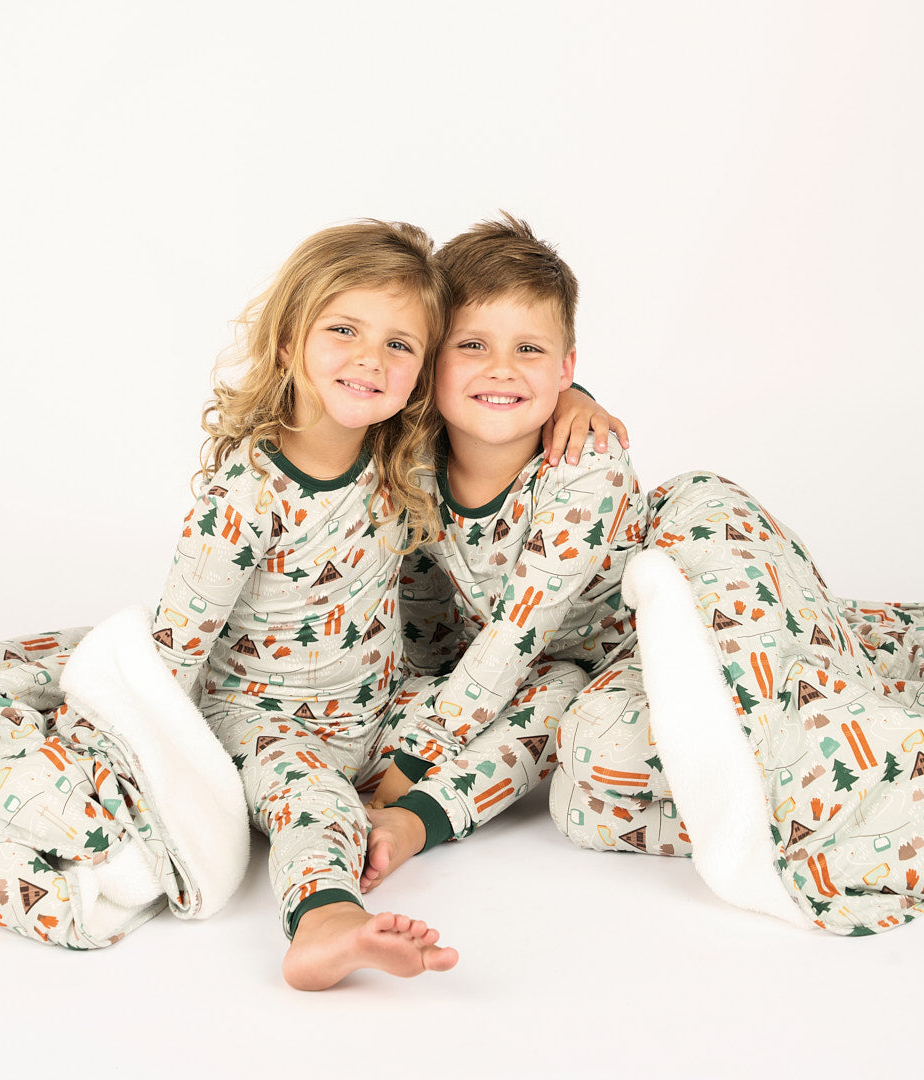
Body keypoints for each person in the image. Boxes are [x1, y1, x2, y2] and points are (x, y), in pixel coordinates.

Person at [149, 218, 618, 987]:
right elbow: (173, 650)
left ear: (421, 371)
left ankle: (414, 817)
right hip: (266, 718)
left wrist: (578, 399)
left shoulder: (400, 450)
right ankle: (328, 923)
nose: (371, 359)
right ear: (285, 344)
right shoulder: (246, 496)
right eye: (343, 331)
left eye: (400, 346)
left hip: (379, 710)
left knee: (559, 688)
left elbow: (503, 382)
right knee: (315, 804)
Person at [362, 214, 650, 889]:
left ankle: (418, 819)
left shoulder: (585, 465)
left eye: (529, 350)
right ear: (431, 357)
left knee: (560, 695)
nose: (501, 370)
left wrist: (409, 769)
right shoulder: (408, 450)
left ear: (566, 368)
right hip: (477, 670)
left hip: (592, 663)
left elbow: (518, 641)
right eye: (472, 345)